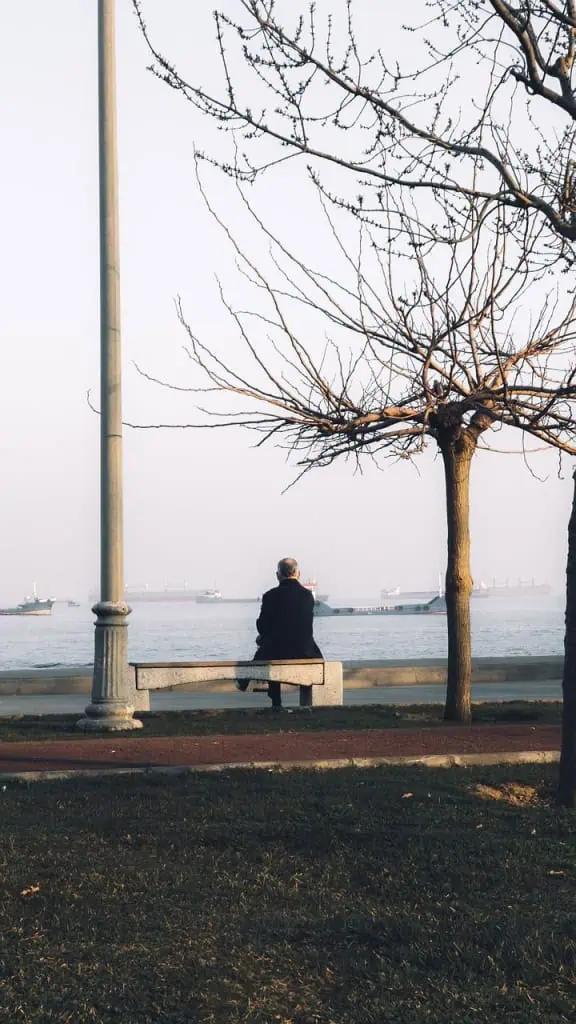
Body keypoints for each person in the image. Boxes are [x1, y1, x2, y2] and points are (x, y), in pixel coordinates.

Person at [237, 558, 323, 710]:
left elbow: (262, 626)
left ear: (278, 575)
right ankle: (301, 699)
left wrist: (263, 635)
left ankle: (275, 702)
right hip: (306, 652)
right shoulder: (307, 596)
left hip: (276, 652)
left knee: (268, 644)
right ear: (299, 574)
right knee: (276, 641)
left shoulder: (270, 596)